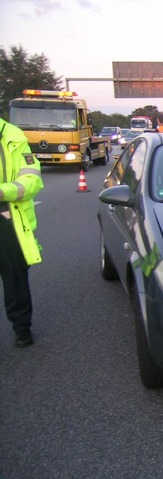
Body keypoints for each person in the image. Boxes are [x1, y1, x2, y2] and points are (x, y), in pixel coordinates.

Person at [0, 118, 43, 348]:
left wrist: (2, 192)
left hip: (7, 219)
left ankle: (21, 328)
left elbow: (32, 180)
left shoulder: (13, 137)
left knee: (15, 279)